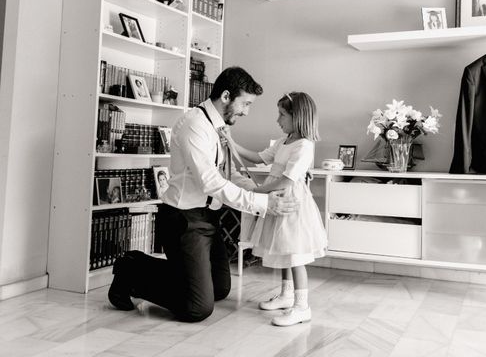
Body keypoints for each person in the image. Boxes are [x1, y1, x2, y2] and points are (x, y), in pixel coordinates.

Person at [107, 67, 299, 322]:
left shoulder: (217, 126)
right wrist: (262, 203)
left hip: (208, 217)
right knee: (197, 308)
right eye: (246, 103)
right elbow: (210, 182)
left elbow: (225, 174)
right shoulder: (194, 125)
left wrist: (258, 191)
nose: (246, 111)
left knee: (219, 289)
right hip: (182, 219)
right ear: (227, 96)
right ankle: (130, 269)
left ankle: (178, 277)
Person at [232, 92, 327, 326]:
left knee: (295, 254)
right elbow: (258, 157)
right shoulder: (283, 142)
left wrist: (258, 192)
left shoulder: (304, 146)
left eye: (282, 114)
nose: (278, 119)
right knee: (284, 249)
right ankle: (286, 295)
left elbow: (287, 181)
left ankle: (302, 306)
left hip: (291, 204)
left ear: (297, 117)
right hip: (276, 200)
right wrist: (231, 143)